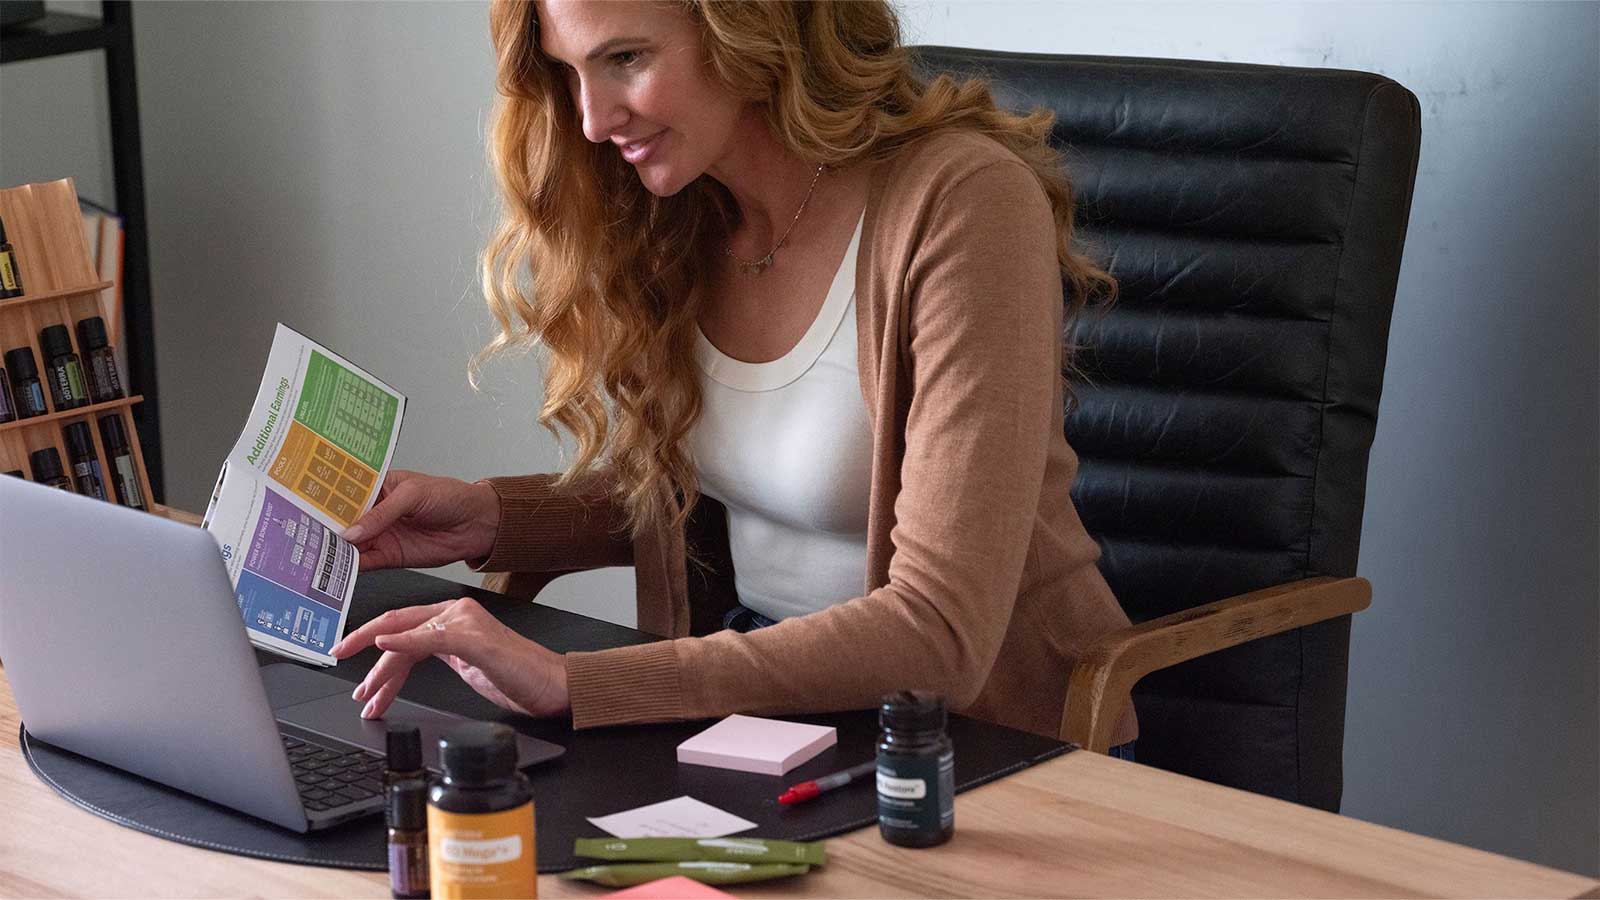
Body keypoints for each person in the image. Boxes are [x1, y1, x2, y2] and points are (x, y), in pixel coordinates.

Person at [329, 0, 1138, 751]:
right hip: (773, 712)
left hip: (984, 735)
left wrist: (579, 682)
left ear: (748, 27)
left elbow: (941, 634)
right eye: (570, 71)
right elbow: (736, 487)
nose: (593, 118)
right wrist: (491, 518)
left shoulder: (962, 204)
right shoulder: (684, 215)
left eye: (626, 58)